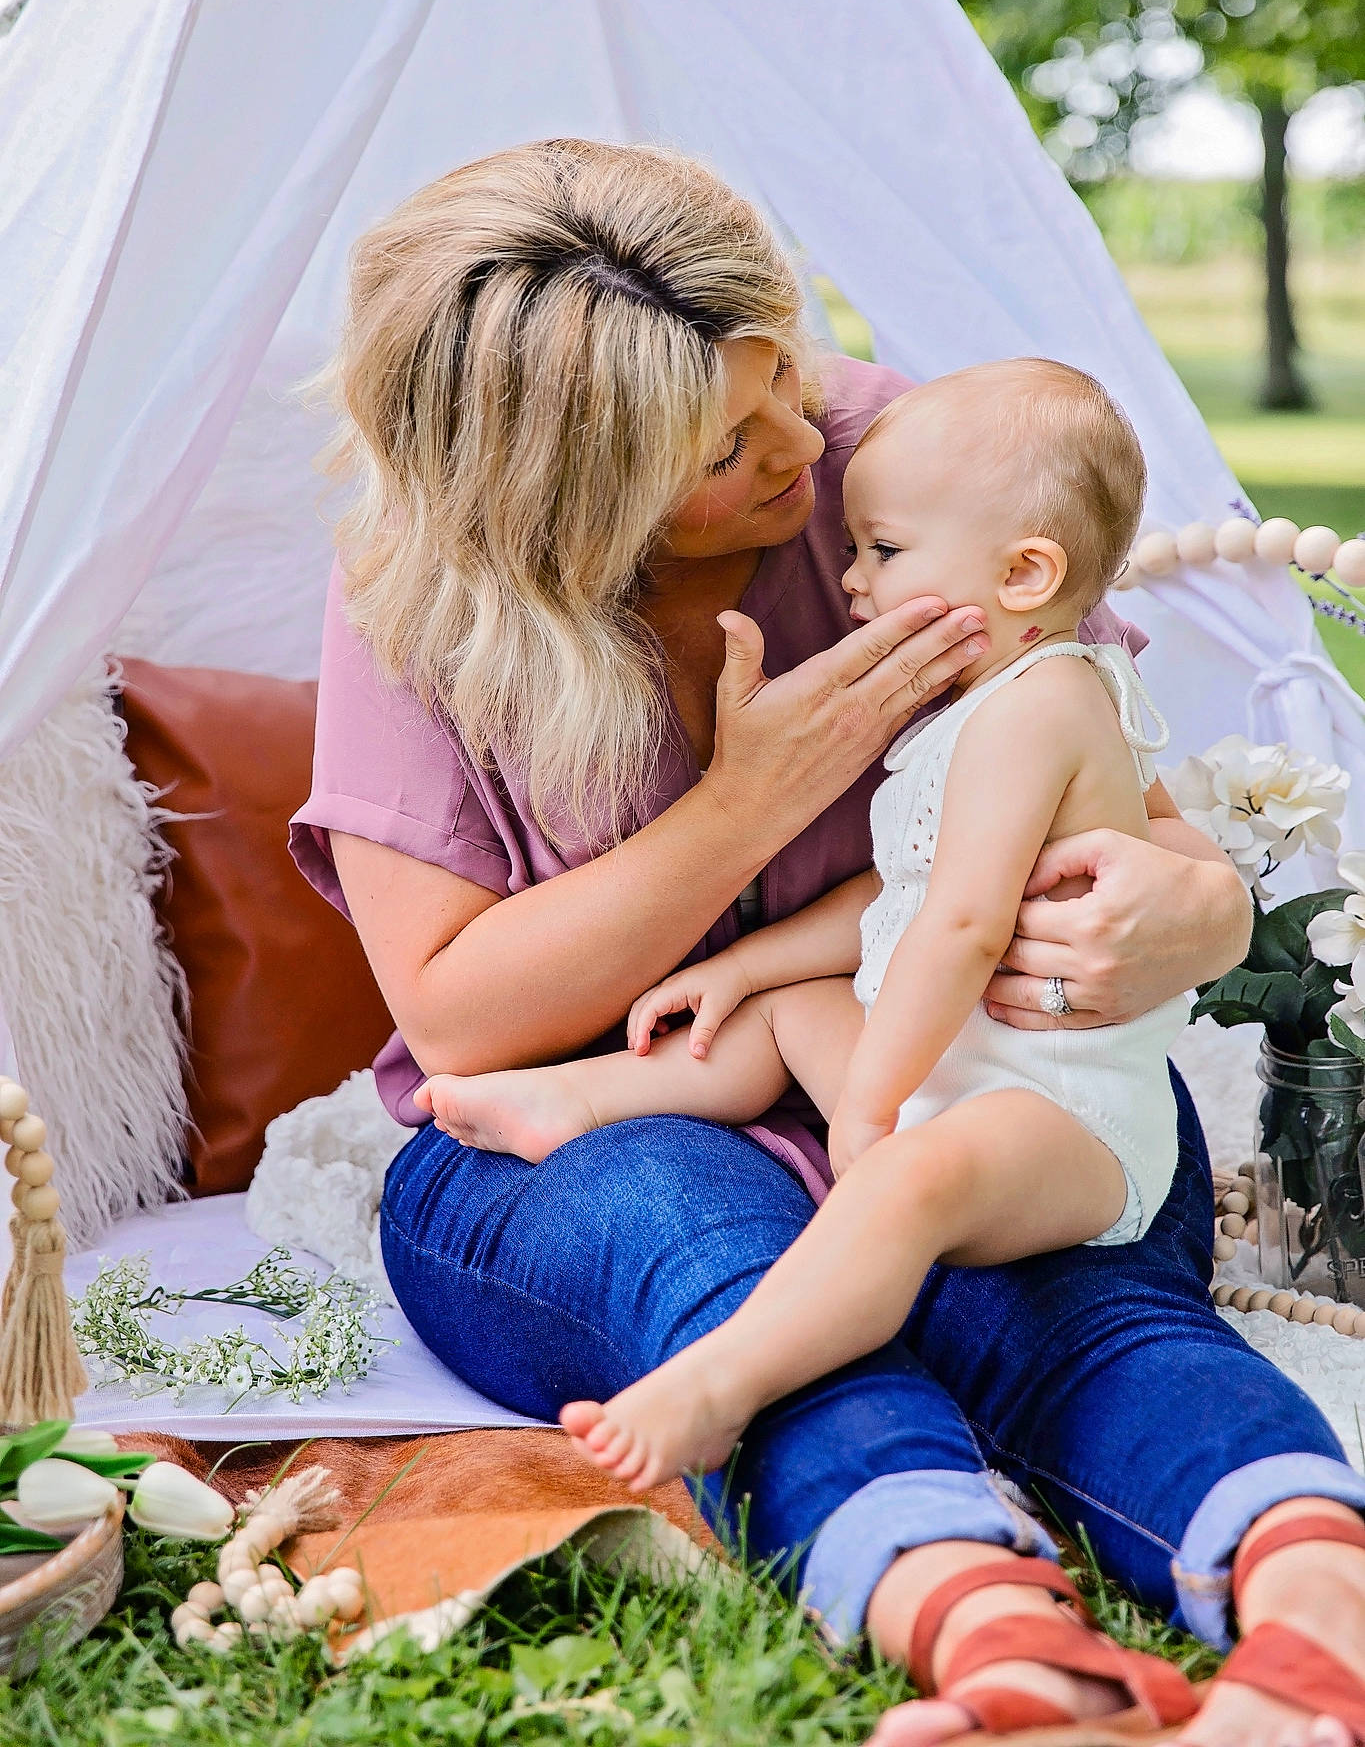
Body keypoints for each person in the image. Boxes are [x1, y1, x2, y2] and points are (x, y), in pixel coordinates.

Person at [291, 138, 1365, 1747]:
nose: (805, 433)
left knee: (1083, 1308)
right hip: (599, 1126)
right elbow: (457, 1027)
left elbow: (1111, 776)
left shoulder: (900, 466)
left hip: (957, 1083)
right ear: (574, 506)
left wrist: (1194, 905)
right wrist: (742, 805)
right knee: (729, 1281)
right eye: (735, 443)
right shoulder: (422, 598)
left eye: (786, 365)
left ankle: (1315, 1622)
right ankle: (997, 1642)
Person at [417, 356, 1194, 1506]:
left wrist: (871, 1105)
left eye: (883, 550)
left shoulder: (1044, 705)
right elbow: (899, 891)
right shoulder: (979, 702)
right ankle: (573, 1099)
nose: (849, 570)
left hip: (1057, 1112)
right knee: (778, 1012)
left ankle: (724, 1383)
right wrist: (742, 964)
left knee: (902, 1184)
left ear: (1026, 571)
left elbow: (964, 925)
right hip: (963, 1072)